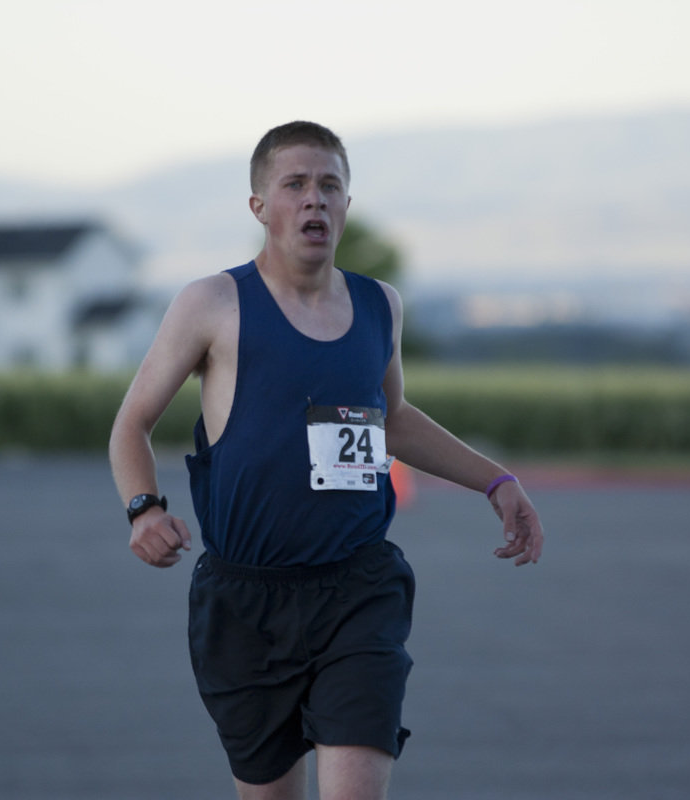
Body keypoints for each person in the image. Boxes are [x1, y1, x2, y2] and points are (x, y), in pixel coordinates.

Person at [109, 121, 544, 800]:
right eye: (296, 185)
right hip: (243, 599)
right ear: (260, 206)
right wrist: (143, 508)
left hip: (357, 588)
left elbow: (393, 417)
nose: (315, 200)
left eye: (330, 186)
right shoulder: (213, 304)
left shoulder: (379, 306)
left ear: (346, 204)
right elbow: (131, 424)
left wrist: (496, 480)